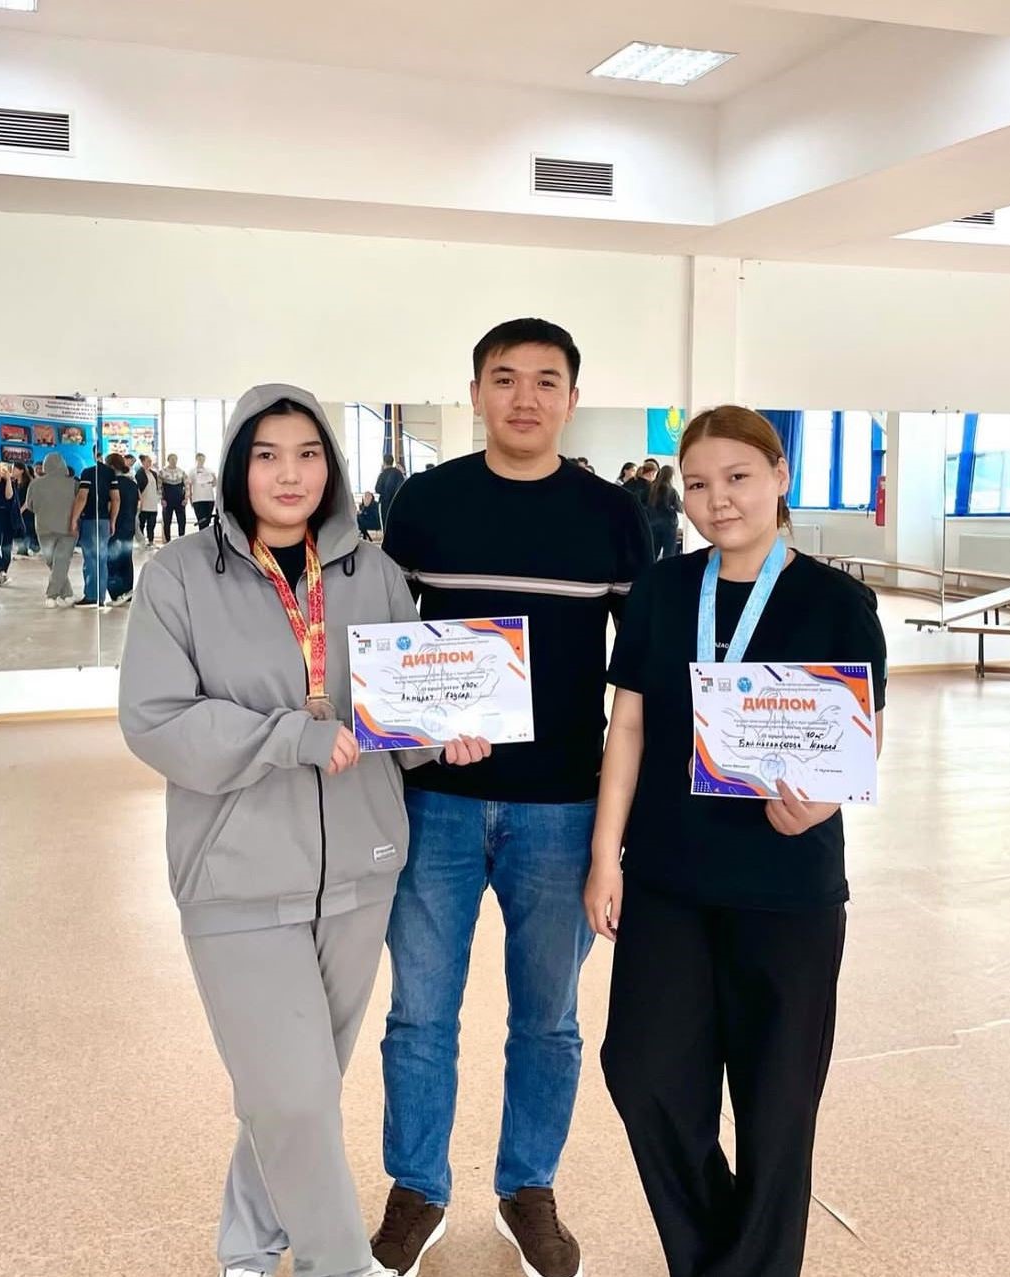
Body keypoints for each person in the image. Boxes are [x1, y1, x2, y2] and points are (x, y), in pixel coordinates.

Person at [118, 383, 489, 1277]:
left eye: (309, 454)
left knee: (303, 1088)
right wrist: (292, 736)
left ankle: (248, 1245)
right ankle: (339, 1262)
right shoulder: (178, 577)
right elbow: (156, 719)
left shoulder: (375, 575)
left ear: (333, 465)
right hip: (237, 875)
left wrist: (443, 733)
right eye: (267, 455)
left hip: (362, 870)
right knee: (292, 1093)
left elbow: (397, 715)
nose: (290, 474)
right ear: (236, 466)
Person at [372, 318, 653, 1277]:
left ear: (572, 397)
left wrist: (630, 821)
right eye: (504, 378)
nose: (524, 397)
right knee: (420, 1013)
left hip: (563, 807)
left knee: (548, 1018)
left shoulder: (613, 515)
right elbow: (387, 642)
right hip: (436, 803)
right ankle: (418, 1188)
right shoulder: (425, 502)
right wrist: (410, 725)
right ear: (476, 393)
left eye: (544, 380)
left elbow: (641, 676)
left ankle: (528, 1186)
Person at [586, 406, 888, 1277]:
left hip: (786, 887)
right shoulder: (663, 590)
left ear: (780, 477)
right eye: (698, 483)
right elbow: (629, 724)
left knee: (776, 1106)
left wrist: (819, 808)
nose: (717, 499)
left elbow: (858, 739)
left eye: (738, 477)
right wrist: (605, 856)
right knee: (643, 1071)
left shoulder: (838, 602)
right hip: (669, 877)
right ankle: (717, 1258)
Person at [22, 452, 78, 607]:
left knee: (52, 562)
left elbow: (30, 505)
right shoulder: (73, 483)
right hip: (68, 528)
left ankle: (53, 594)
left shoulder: (35, 484)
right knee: (62, 562)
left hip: (44, 528)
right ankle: (65, 594)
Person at [70, 450, 120, 609]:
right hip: (104, 521)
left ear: (93, 455)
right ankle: (101, 597)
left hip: (90, 520)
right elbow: (116, 499)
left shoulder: (88, 472)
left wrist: (74, 519)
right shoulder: (110, 473)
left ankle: (91, 596)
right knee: (102, 559)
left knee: (91, 559)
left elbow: (82, 497)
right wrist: (113, 521)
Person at [107, 453, 139, 606]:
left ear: (111, 466)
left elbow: (110, 505)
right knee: (126, 558)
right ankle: (128, 591)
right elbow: (138, 504)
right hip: (129, 524)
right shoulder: (132, 484)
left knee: (112, 560)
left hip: (115, 525)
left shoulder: (111, 484)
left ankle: (117, 593)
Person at [646, 464, 683, 561]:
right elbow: (679, 508)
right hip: (669, 525)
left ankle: (652, 570)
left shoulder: (652, 488)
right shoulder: (671, 491)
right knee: (669, 554)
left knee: (654, 553)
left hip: (654, 524)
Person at [11, 462, 39, 556]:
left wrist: (21, 510)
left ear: (21, 471)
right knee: (19, 530)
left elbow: (29, 500)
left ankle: (30, 547)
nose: (12, 471)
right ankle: (23, 548)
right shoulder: (14, 483)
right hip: (18, 511)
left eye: (14, 469)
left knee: (28, 529)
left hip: (28, 511)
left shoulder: (30, 483)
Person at [160, 453, 189, 541]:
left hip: (180, 500)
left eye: (175, 459)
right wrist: (161, 499)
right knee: (167, 521)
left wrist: (186, 498)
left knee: (182, 521)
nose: (173, 461)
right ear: (168, 460)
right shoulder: (162, 472)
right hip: (167, 500)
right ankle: (168, 541)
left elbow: (187, 486)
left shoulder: (181, 472)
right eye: (172, 459)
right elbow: (159, 487)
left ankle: (181, 540)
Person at [135, 454, 160, 546]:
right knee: (141, 523)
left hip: (153, 503)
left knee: (152, 524)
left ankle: (151, 541)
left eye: (150, 461)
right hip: (144, 504)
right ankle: (141, 542)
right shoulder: (139, 474)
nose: (150, 463)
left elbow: (156, 488)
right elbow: (138, 489)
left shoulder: (154, 474)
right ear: (143, 462)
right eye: (148, 461)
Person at [374, 454, 406, 527]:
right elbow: (402, 487)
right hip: (396, 503)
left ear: (384, 462)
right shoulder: (398, 473)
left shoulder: (382, 474)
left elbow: (377, 489)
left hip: (385, 504)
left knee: (386, 525)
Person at [190, 451, 218, 531]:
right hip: (198, 499)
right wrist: (190, 498)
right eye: (199, 459)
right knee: (201, 521)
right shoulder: (192, 471)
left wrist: (213, 479)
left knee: (207, 521)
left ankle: (206, 536)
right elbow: (189, 484)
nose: (201, 461)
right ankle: (201, 536)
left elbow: (214, 483)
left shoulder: (210, 470)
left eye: (202, 459)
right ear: (196, 459)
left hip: (209, 498)